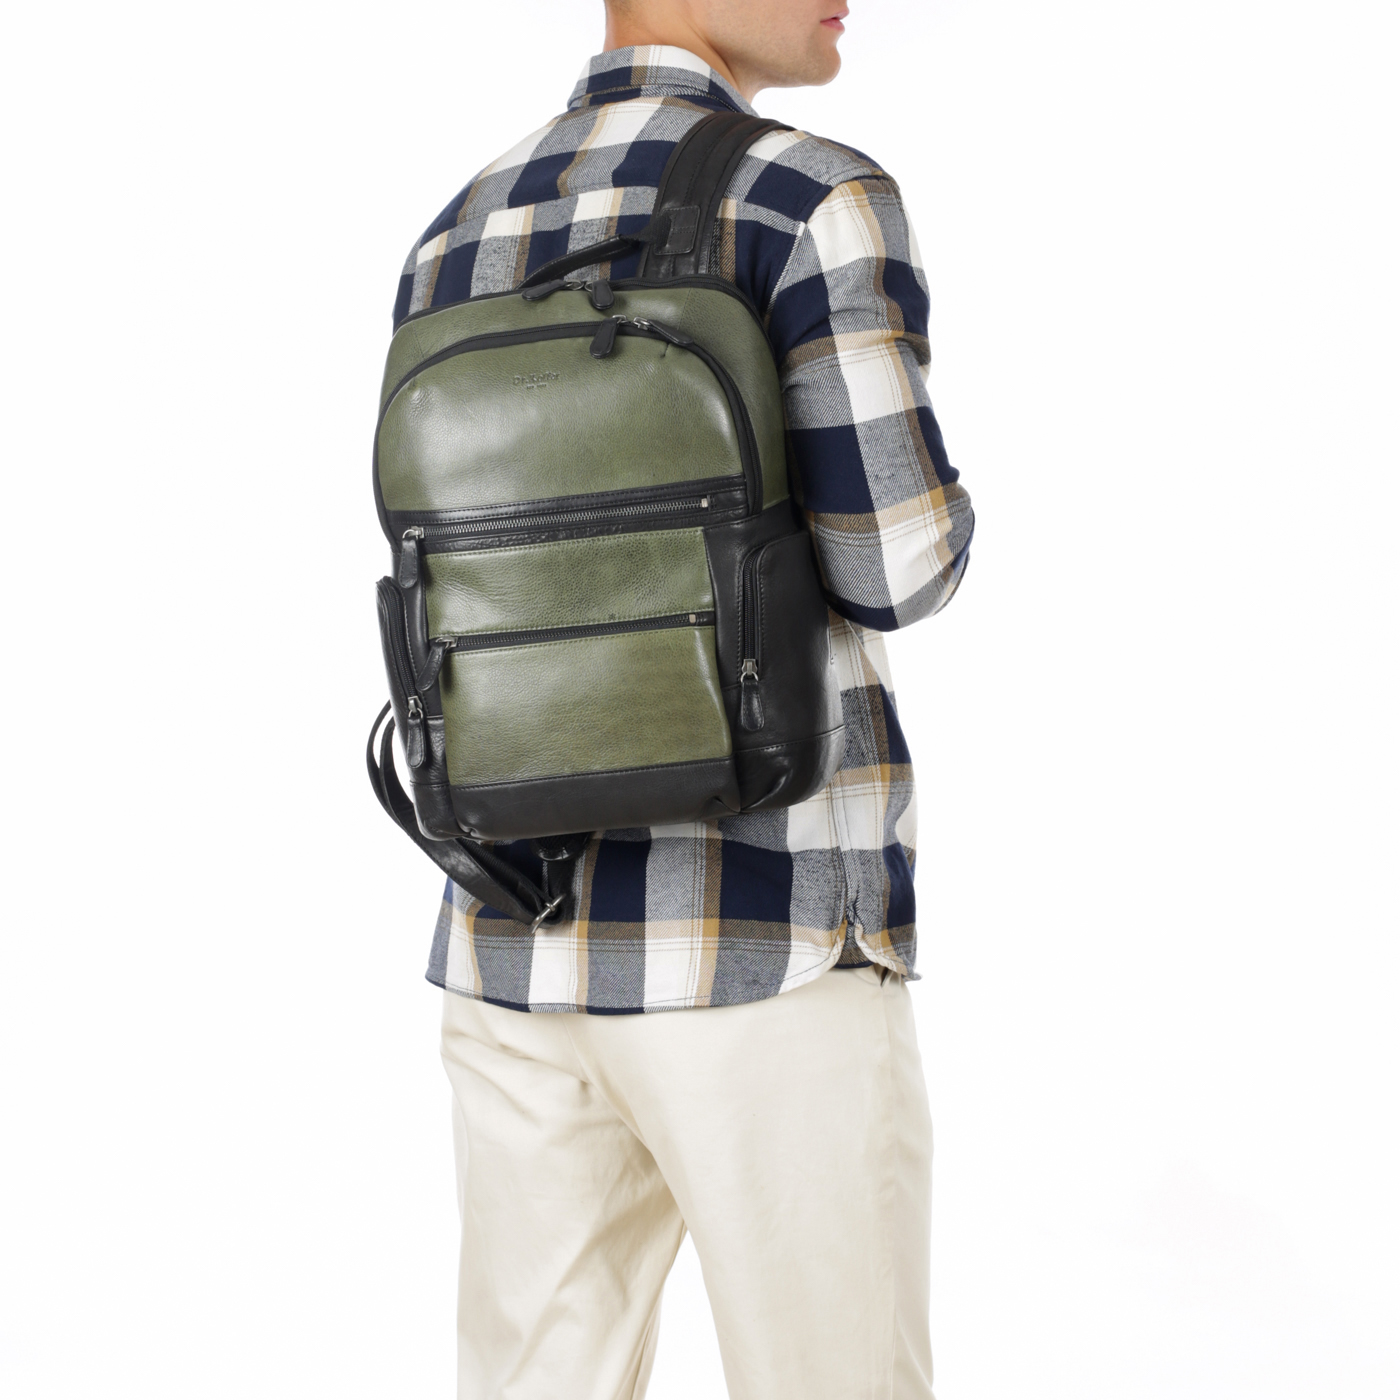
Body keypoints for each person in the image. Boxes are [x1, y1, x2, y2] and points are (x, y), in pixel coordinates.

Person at [390, 2, 974, 1395]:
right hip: (762, 932)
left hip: (516, 939)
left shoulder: (457, 229)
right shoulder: (805, 197)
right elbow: (897, 565)